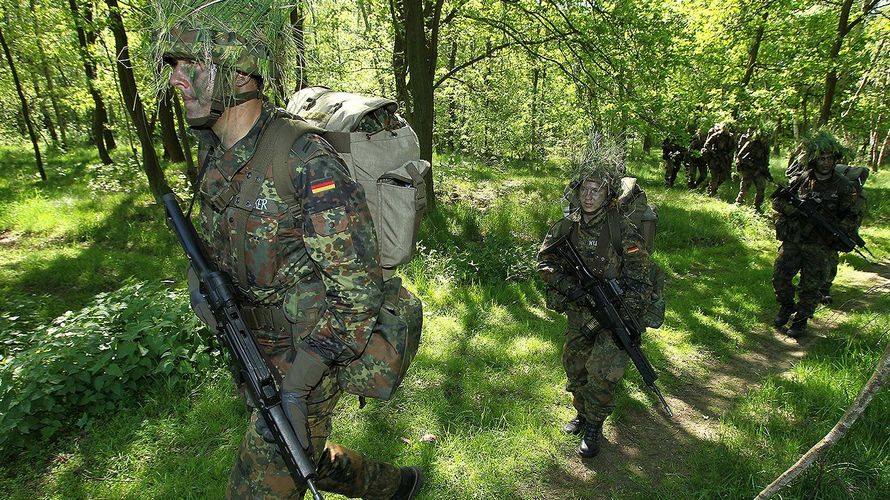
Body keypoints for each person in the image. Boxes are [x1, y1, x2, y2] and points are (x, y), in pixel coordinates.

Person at [150, 2, 422, 498]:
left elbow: (358, 294)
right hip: (254, 348)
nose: (177, 81)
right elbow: (214, 244)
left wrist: (297, 387)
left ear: (238, 75)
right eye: (173, 67)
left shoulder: (304, 161)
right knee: (305, 458)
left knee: (258, 483)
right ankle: (392, 485)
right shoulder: (216, 149)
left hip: (309, 358)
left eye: (191, 66)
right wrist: (204, 298)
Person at [537, 136, 655, 458]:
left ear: (608, 195)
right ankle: (582, 412)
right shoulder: (565, 227)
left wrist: (626, 320)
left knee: (602, 372)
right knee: (574, 366)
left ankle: (594, 426)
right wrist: (568, 285)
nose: (589, 197)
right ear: (577, 192)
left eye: (597, 190)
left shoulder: (622, 230)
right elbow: (544, 262)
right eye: (584, 190)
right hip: (580, 311)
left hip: (613, 313)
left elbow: (640, 279)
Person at [771, 132, 860, 339]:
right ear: (814, 159)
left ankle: (801, 321)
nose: (826, 162)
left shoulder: (844, 186)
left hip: (820, 244)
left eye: (830, 158)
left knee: (810, 286)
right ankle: (786, 307)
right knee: (779, 278)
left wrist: (835, 231)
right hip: (794, 239)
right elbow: (778, 202)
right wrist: (796, 212)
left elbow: (852, 215)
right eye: (822, 158)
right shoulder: (800, 180)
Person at [734, 129, 771, 212]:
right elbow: (740, 156)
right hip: (748, 169)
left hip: (759, 170)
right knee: (745, 187)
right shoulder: (751, 143)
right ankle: (739, 202)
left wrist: (764, 170)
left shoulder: (766, 147)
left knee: (761, 188)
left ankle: (757, 206)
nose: (765, 140)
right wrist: (750, 163)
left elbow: (766, 160)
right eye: (764, 138)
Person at [701, 123, 735, 197]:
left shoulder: (731, 136)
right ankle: (712, 192)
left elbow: (733, 147)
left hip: (724, 159)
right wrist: (713, 153)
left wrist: (729, 155)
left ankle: (709, 187)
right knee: (714, 176)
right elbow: (707, 144)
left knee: (723, 177)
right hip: (715, 158)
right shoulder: (716, 135)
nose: (726, 129)